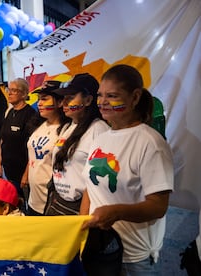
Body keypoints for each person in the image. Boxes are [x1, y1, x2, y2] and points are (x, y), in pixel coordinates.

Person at [80, 64, 174, 275]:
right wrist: (82, 226)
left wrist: (116, 212)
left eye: (112, 95)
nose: (102, 102)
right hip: (100, 249)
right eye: (100, 95)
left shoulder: (150, 143)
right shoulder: (101, 138)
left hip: (133, 257)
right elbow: (90, 187)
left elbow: (158, 206)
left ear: (135, 97)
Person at [45, 73, 109, 215]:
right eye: (64, 98)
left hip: (80, 208)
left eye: (70, 97)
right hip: (58, 202)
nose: (64, 103)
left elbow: (99, 179)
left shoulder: (99, 130)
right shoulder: (68, 127)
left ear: (88, 100)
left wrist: (83, 216)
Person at [23, 80, 68, 216]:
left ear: (60, 102)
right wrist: (26, 174)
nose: (39, 103)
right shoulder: (40, 125)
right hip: (33, 198)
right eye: (38, 99)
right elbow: (34, 153)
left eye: (44, 99)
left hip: (50, 201)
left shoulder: (65, 131)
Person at [0, 78, 38, 203]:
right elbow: (3, 140)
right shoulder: (9, 112)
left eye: (14, 90)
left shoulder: (30, 114)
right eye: (9, 89)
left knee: (24, 203)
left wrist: (26, 173)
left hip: (22, 172)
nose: (9, 93)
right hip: (8, 170)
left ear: (24, 94)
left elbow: (33, 148)